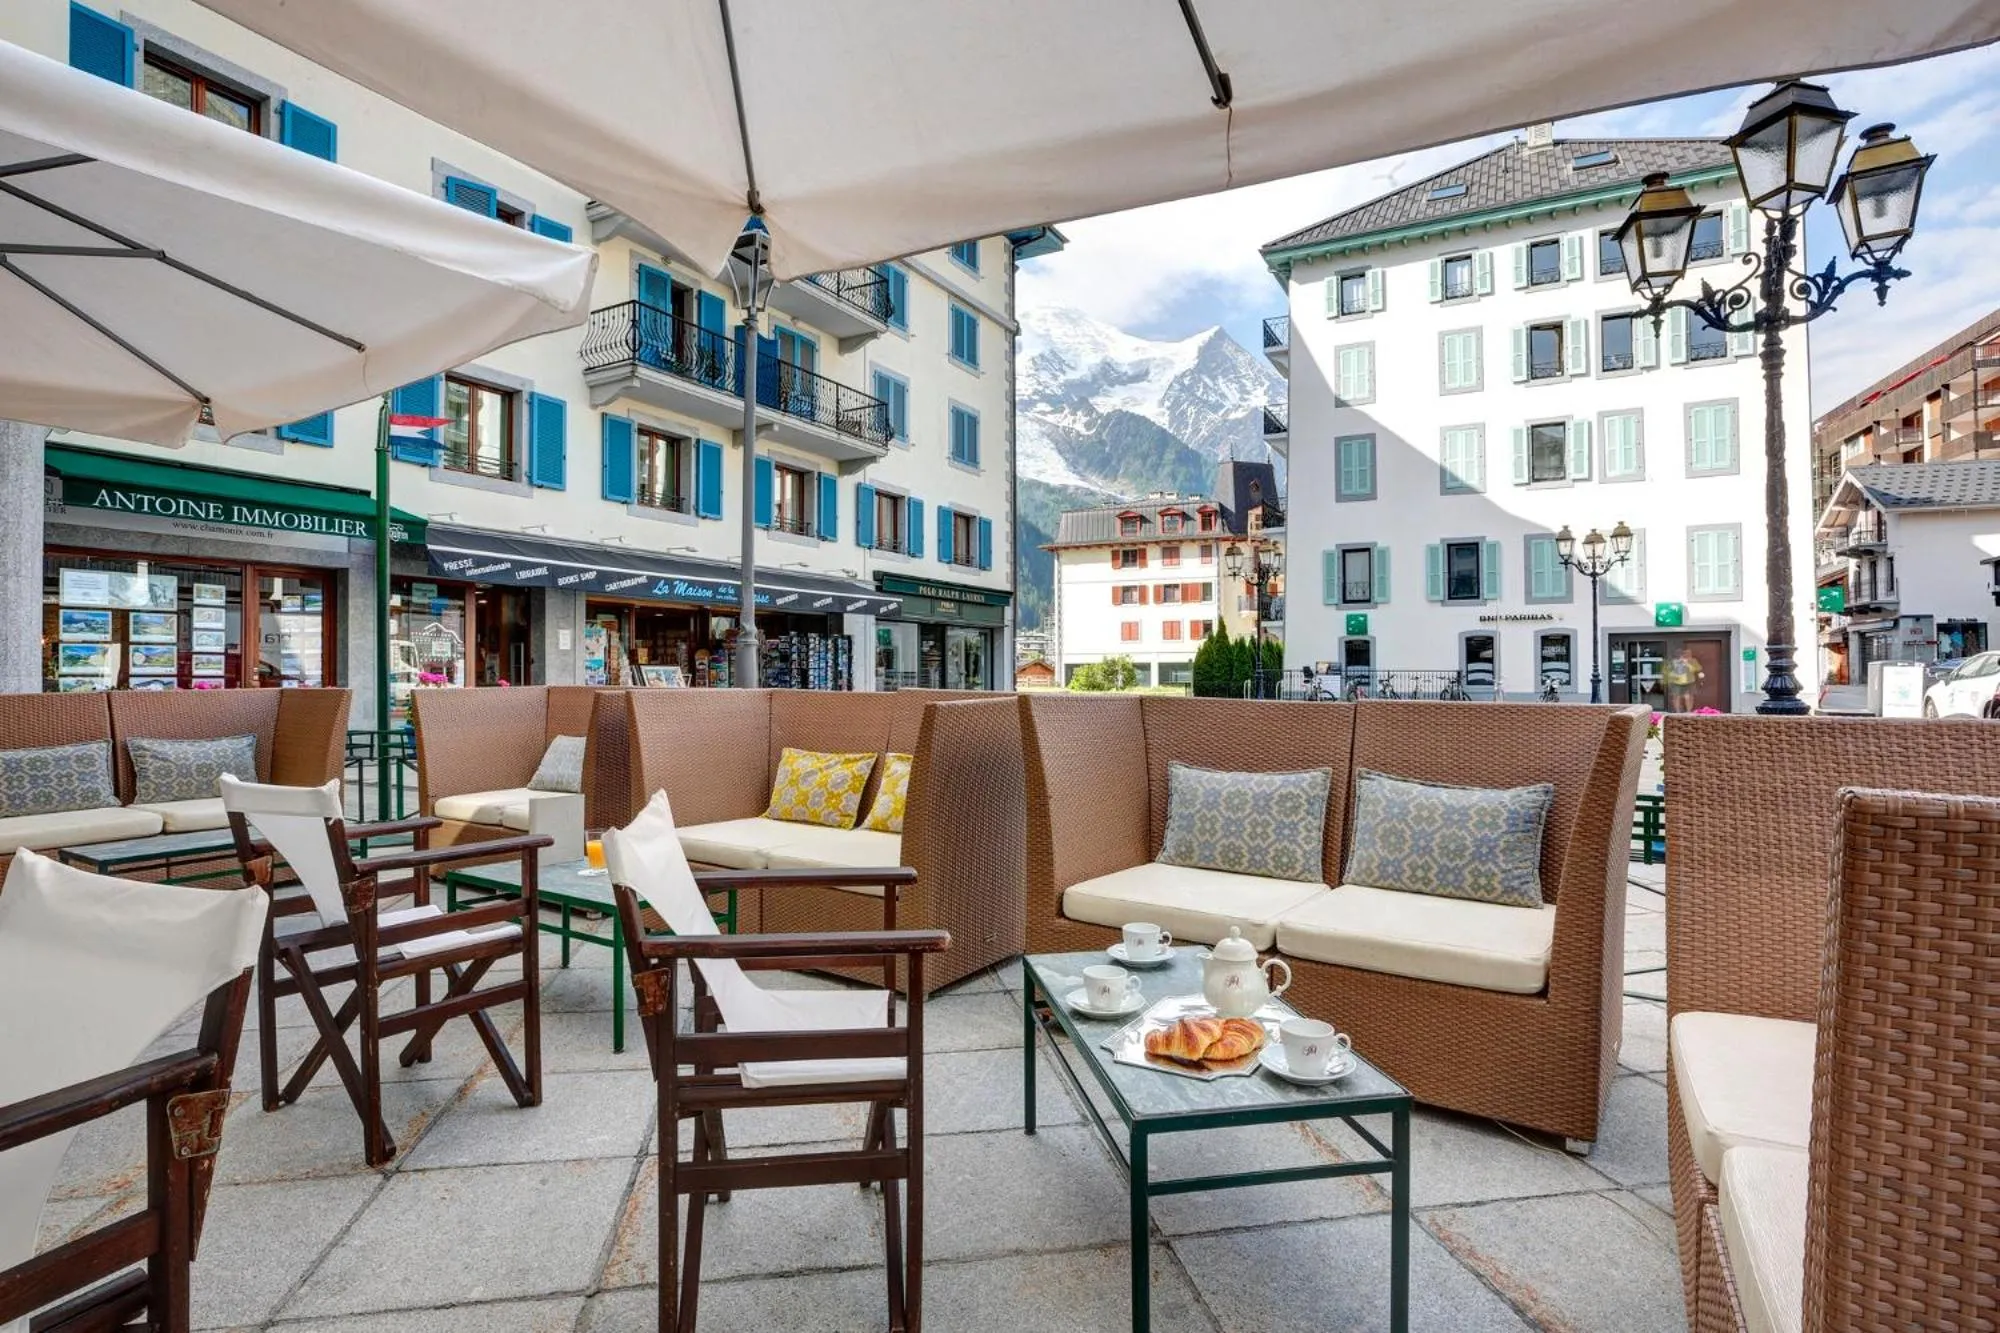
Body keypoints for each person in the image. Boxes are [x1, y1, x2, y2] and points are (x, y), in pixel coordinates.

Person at [1663, 645, 1705, 713]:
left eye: (1688, 653)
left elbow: (1698, 669)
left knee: (1688, 697)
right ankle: (1677, 712)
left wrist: (1687, 664)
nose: (1687, 655)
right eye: (1684, 653)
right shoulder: (1673, 661)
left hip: (1689, 682)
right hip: (1676, 682)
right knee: (1676, 697)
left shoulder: (1693, 660)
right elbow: (1666, 671)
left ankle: (1688, 712)